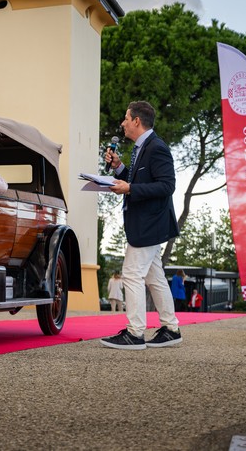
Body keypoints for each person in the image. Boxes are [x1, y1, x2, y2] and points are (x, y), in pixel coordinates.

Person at [100, 101, 181, 350]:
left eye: (126, 118)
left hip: (150, 224)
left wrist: (130, 188)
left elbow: (167, 186)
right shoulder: (141, 147)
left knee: (132, 274)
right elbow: (138, 178)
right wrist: (119, 169)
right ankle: (171, 328)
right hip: (146, 223)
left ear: (137, 121)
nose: (122, 123)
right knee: (154, 278)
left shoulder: (156, 148)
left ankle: (135, 334)